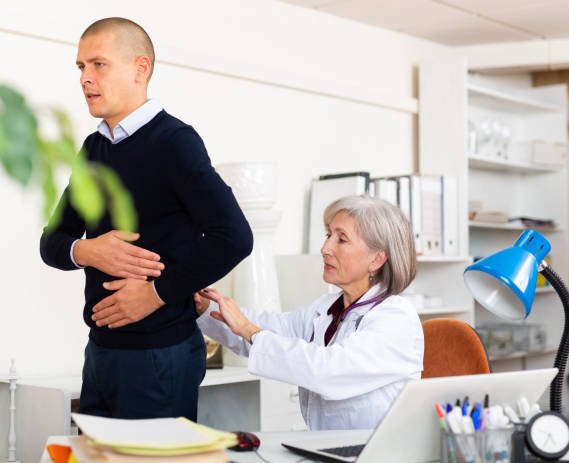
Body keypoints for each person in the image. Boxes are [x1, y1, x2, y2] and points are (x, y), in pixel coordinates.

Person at [39, 17, 253, 421]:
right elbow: (52, 241)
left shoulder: (175, 142)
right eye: (80, 67)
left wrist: (156, 294)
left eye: (98, 64)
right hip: (100, 352)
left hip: (160, 355)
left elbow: (235, 236)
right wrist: (87, 250)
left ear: (141, 69)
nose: (85, 78)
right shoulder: (93, 148)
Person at [195, 195, 423, 430]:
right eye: (328, 235)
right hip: (328, 448)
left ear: (377, 259)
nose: (325, 249)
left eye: (341, 239)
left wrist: (249, 330)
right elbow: (273, 329)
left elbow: (328, 372)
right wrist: (206, 308)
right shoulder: (328, 308)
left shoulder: (396, 320)